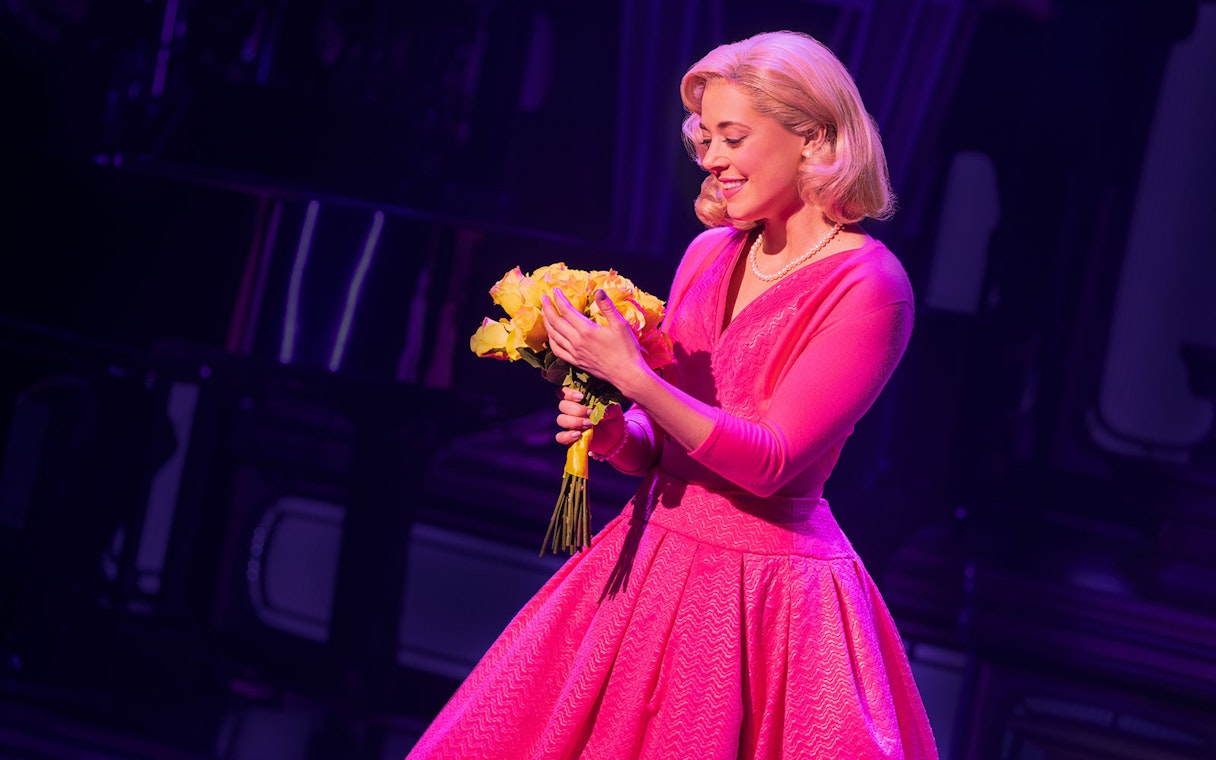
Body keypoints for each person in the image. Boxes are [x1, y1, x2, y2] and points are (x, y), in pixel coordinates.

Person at [407, 30, 939, 759]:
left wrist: (634, 379)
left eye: (733, 137)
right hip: (648, 561)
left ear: (811, 136)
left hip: (760, 599)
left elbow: (770, 463)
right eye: (705, 138)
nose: (712, 158)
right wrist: (616, 432)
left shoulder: (869, 288)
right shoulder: (709, 253)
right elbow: (666, 448)